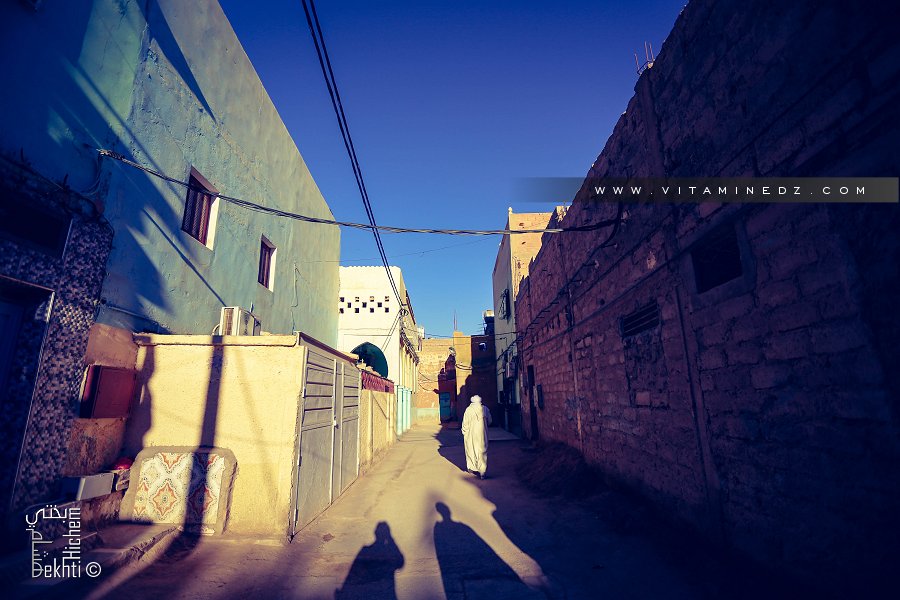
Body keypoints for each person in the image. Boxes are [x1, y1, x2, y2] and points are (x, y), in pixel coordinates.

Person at [461, 395, 492, 479]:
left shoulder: (468, 410)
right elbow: (490, 421)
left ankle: (472, 467)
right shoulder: (485, 409)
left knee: (471, 450)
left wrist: (464, 432)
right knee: (482, 451)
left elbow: (465, 424)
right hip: (483, 434)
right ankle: (482, 472)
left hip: (471, 435)